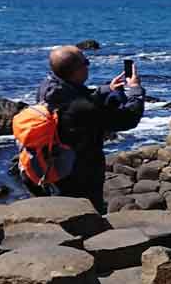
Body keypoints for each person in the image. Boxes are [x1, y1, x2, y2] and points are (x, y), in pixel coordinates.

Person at [32, 46, 145, 212]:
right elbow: (128, 119)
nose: (88, 65)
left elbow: (78, 100)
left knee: (61, 206)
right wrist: (136, 90)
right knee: (86, 213)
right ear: (77, 70)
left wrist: (106, 90)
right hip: (81, 171)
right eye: (86, 62)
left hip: (55, 163)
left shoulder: (47, 88)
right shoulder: (82, 108)